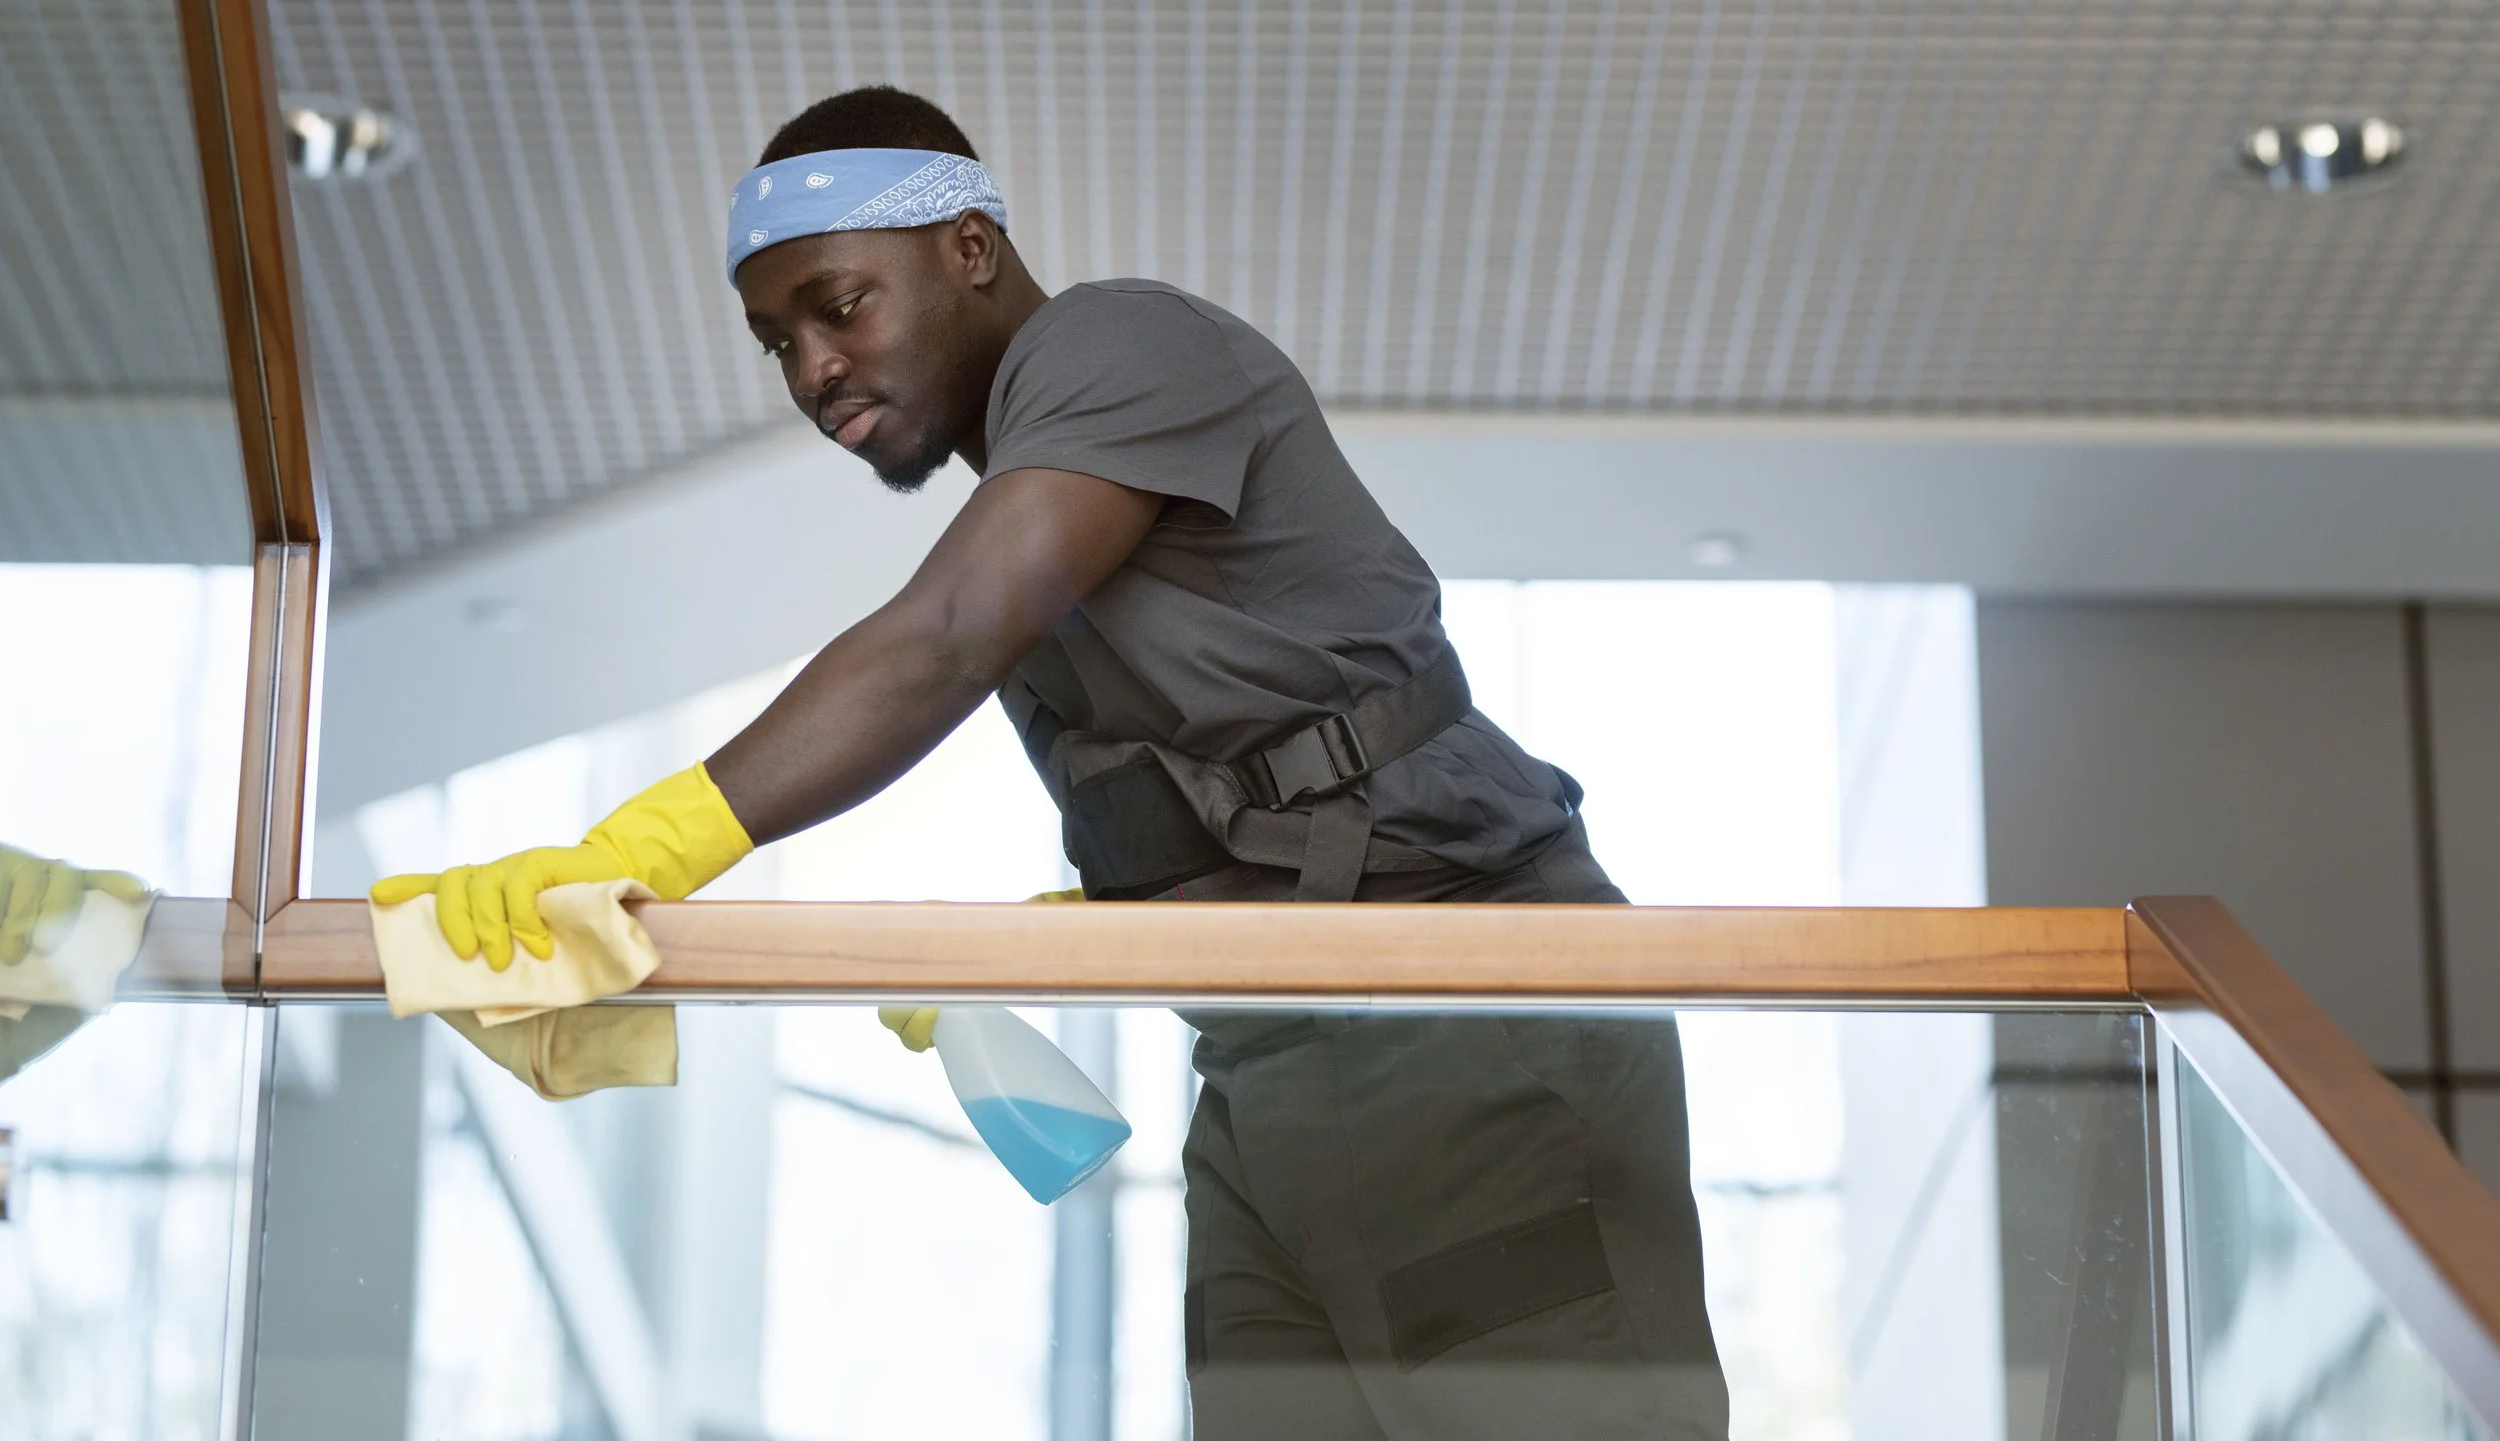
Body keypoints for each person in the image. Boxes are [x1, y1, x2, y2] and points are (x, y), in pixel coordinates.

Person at [372, 86, 1728, 1438]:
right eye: (773, 343)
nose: (812, 370)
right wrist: (1105, 927)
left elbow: (944, 634)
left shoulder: (1118, 343)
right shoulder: (1042, 498)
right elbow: (1229, 766)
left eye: (840, 305)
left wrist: (634, 853)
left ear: (969, 247)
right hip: (1265, 1073)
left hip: (1465, 1013)